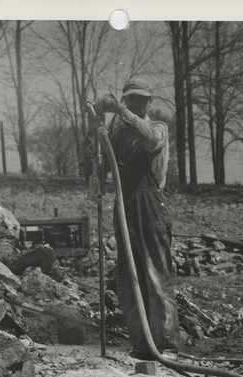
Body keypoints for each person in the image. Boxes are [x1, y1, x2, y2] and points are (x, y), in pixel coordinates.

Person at [95, 78, 180, 360]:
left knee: (157, 276)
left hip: (151, 206)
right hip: (124, 206)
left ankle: (165, 345)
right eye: (129, 99)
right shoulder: (118, 135)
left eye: (139, 99)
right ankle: (142, 344)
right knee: (128, 278)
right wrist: (94, 122)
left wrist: (120, 110)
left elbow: (150, 139)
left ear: (148, 102)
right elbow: (97, 163)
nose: (134, 103)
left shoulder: (158, 128)